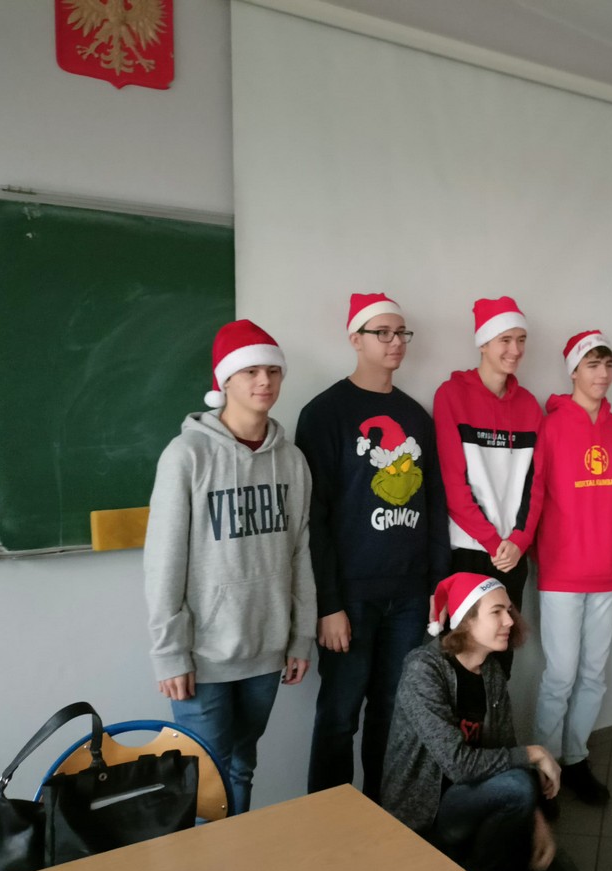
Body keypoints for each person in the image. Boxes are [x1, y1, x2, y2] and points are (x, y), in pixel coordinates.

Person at [144, 319, 316, 815]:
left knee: (242, 768)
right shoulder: (186, 456)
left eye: (272, 371)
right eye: (250, 372)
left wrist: (301, 636)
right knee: (204, 780)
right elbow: (163, 561)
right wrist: (169, 653)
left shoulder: (292, 461)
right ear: (225, 381)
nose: (264, 382)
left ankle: (239, 859)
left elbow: (300, 551)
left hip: (267, 649)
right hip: (203, 658)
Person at [296, 292, 450, 800]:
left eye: (401, 333)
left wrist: (437, 589)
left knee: (394, 713)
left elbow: (433, 507)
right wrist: (328, 604)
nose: (394, 342)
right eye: (382, 332)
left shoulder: (416, 416)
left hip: (409, 597)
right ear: (355, 339)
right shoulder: (324, 414)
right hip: (351, 599)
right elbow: (314, 520)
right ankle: (329, 824)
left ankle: (385, 817)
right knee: (339, 716)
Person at [381, 573, 579, 871]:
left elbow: (506, 750)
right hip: (430, 815)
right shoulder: (424, 669)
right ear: (466, 620)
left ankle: (478, 866)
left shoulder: (491, 671)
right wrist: (535, 753)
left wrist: (536, 819)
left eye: (509, 611)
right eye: (497, 611)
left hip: (479, 802)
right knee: (519, 783)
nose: (509, 620)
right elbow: (459, 765)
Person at [532, 331, 612, 806]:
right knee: (560, 675)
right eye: (593, 365)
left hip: (607, 570)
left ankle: (575, 758)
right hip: (562, 571)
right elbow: (536, 496)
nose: (603, 374)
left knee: (594, 674)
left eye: (608, 364)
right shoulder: (550, 427)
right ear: (573, 371)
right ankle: (544, 768)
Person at [434, 296, 545, 678]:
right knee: (460, 659)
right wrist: (493, 541)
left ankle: (497, 721)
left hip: (512, 553)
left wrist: (519, 540)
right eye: (505, 340)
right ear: (483, 343)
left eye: (521, 340)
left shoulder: (529, 406)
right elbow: (453, 483)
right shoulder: (451, 395)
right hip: (469, 552)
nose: (515, 350)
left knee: (501, 661)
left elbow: (536, 483)